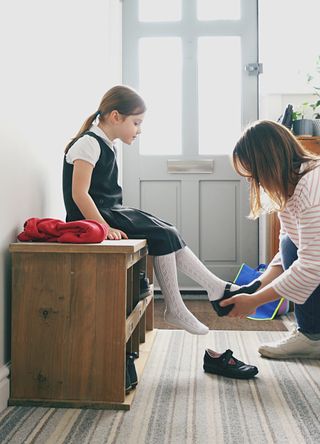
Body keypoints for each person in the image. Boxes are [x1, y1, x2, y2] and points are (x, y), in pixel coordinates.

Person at [62, 85, 259, 336]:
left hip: (109, 211)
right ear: (115, 117)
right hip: (93, 217)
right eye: (136, 123)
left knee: (166, 229)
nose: (139, 130)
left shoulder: (105, 143)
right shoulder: (88, 144)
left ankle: (216, 287)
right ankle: (181, 305)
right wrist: (104, 227)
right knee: (162, 234)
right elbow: (79, 194)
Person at [219, 120, 320, 359]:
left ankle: (312, 337)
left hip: (315, 265)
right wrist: (253, 287)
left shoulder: (313, 186)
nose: (253, 182)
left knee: (296, 252)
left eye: (253, 174)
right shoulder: (290, 187)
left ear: (269, 164)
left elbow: (312, 266)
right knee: (287, 243)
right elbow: (285, 254)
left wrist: (255, 301)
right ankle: (312, 334)